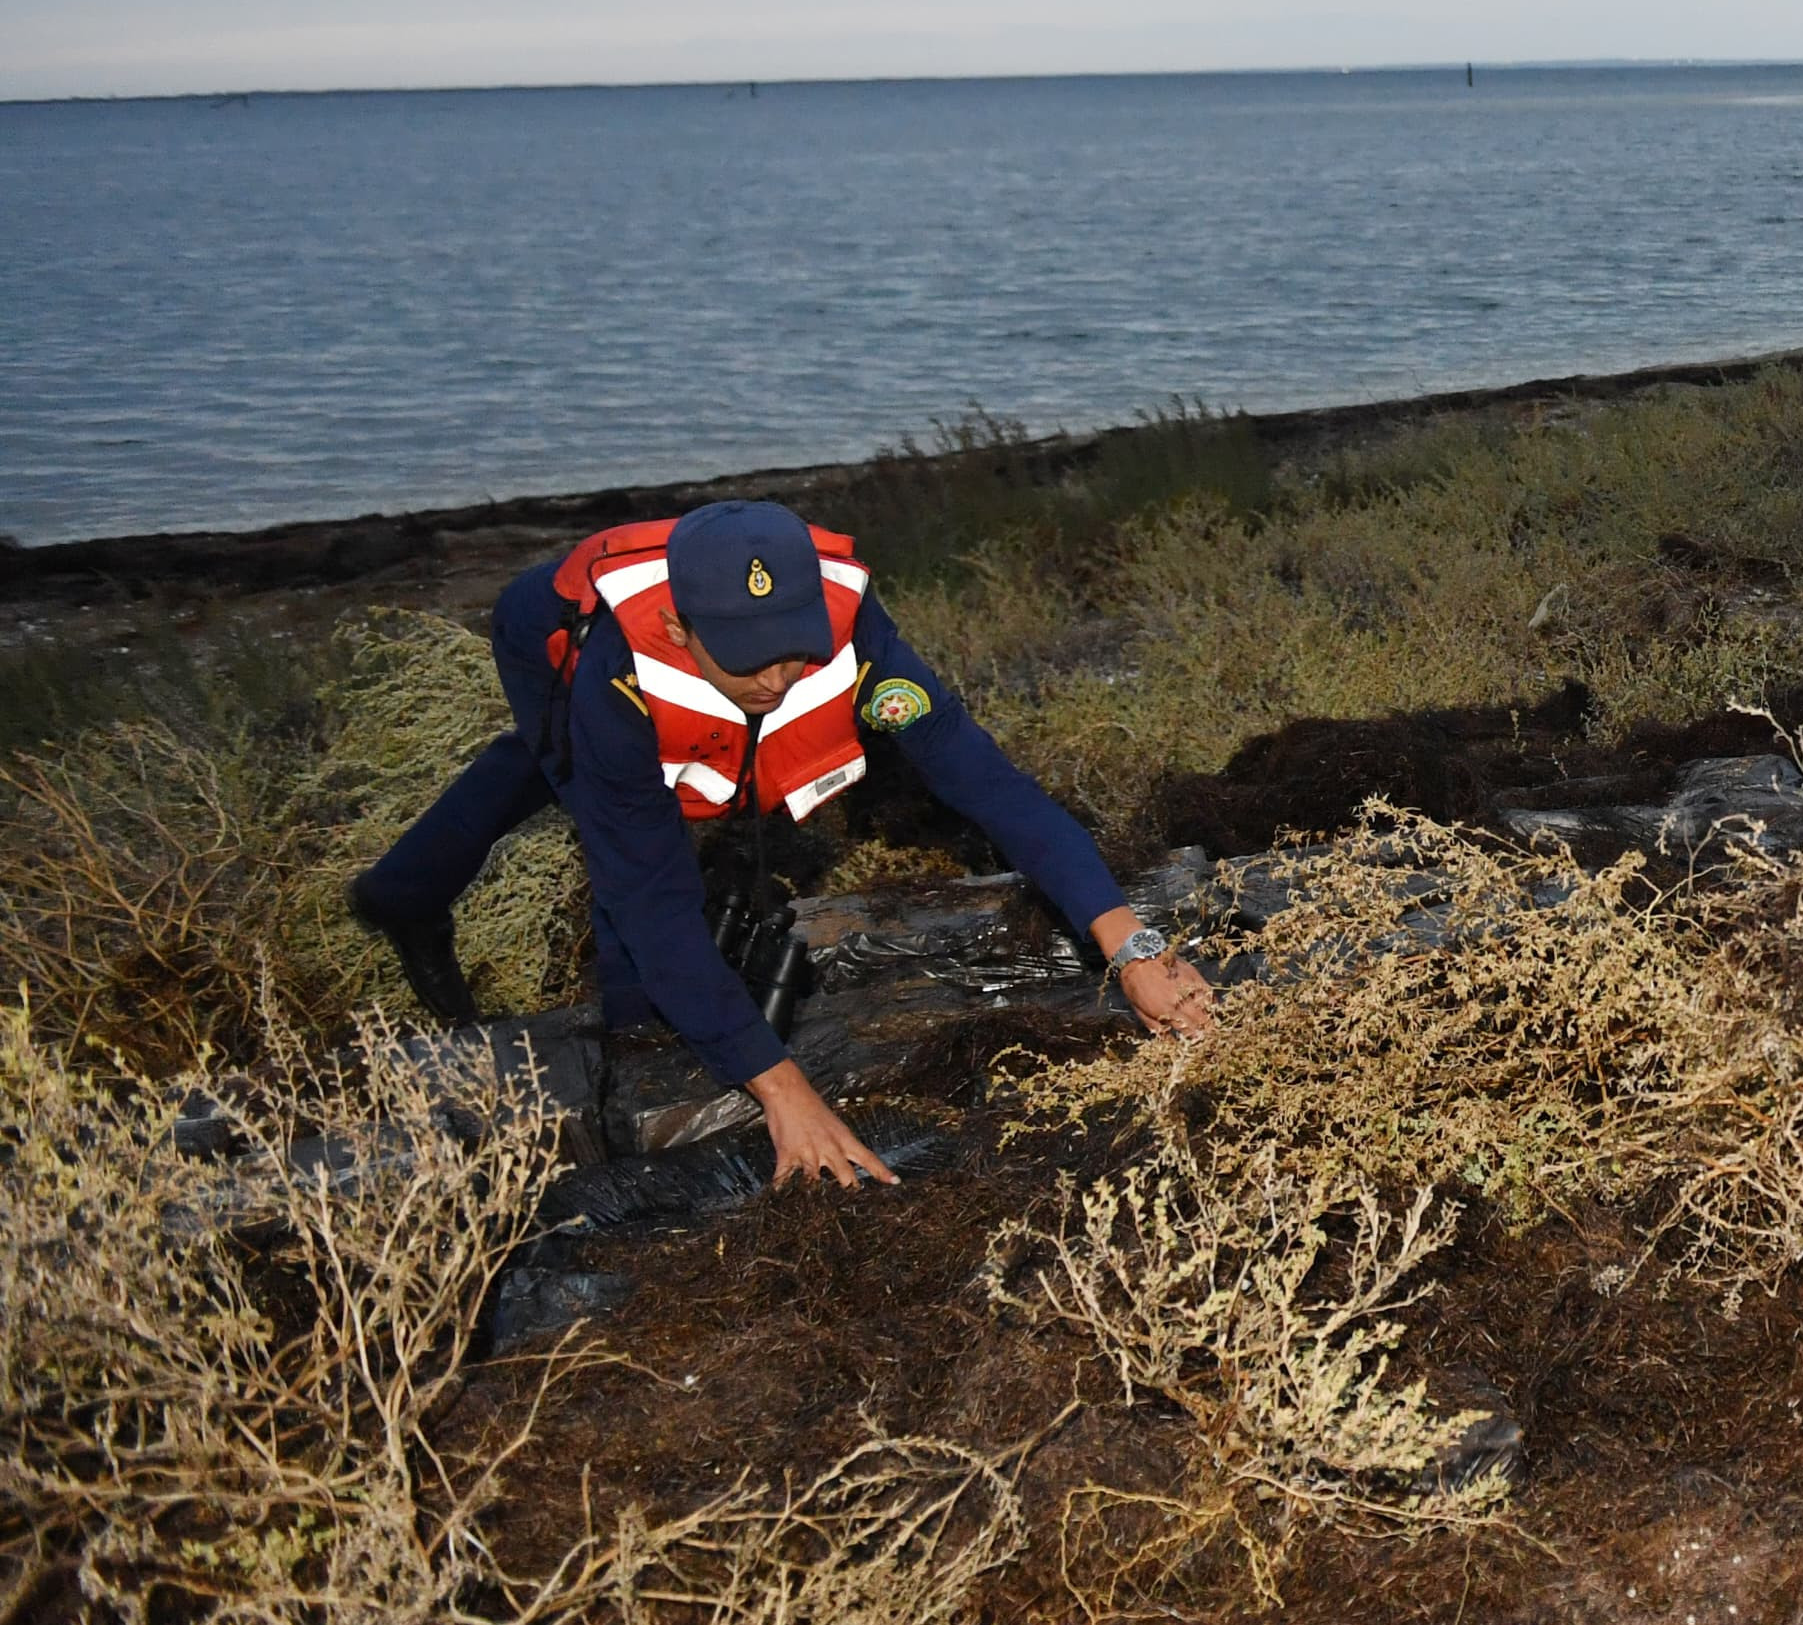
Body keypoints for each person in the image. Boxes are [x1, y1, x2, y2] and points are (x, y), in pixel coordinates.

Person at [348, 500, 1217, 1187]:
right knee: (597, 801)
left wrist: (1128, 940)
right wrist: (781, 1087)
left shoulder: (857, 636)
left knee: (593, 772)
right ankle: (572, 995)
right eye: (748, 658)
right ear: (683, 632)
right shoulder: (623, 680)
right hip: (548, 639)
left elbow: (990, 786)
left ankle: (403, 888)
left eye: (792, 649)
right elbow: (647, 896)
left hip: (637, 693)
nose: (775, 677)